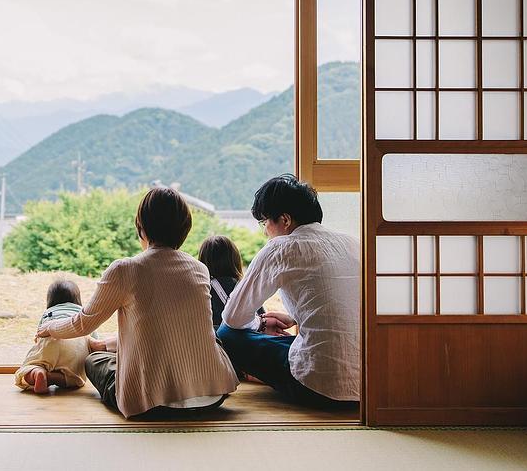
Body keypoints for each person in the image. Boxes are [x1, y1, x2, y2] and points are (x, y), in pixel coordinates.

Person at [37, 187, 239, 418]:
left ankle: (105, 349)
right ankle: (109, 346)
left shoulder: (125, 269)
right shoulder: (200, 269)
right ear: (185, 228)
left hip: (151, 404)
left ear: (141, 227)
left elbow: (83, 324)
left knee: (94, 361)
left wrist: (50, 328)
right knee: (211, 337)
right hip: (212, 396)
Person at [217, 174, 360, 408]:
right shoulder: (352, 243)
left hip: (318, 386)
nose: (265, 231)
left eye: (265, 222)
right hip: (369, 385)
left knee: (227, 334)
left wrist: (260, 324)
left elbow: (233, 317)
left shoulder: (281, 247)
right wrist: (293, 318)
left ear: (284, 220)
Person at [14, 279, 99, 394]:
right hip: (75, 346)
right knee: (75, 378)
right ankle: (50, 377)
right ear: (77, 299)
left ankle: (37, 372)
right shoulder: (82, 313)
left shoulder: (49, 312)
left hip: (49, 340)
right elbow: (94, 340)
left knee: (28, 368)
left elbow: (39, 334)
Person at [196, 235, 264, 330]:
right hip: (250, 342)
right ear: (234, 259)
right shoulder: (246, 286)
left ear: (203, 260)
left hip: (219, 343)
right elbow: (262, 318)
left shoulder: (203, 289)